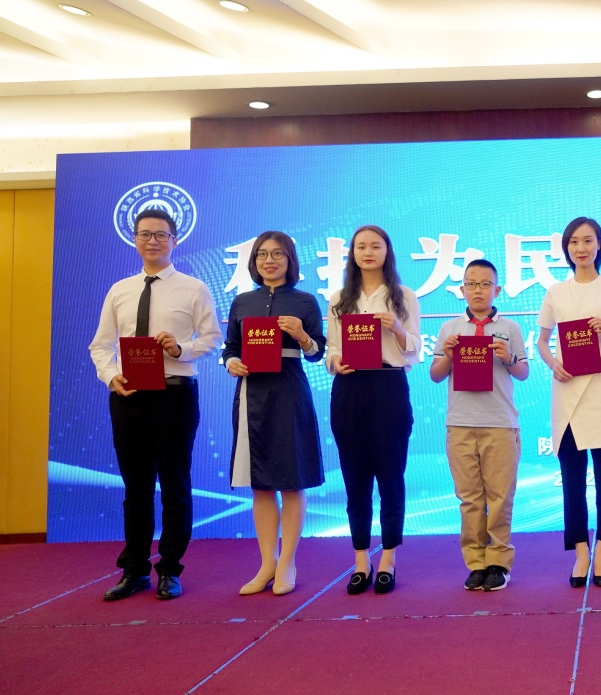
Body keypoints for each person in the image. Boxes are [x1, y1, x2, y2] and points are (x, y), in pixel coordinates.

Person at [88, 208, 222, 601]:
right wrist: (110, 375)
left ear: (174, 241)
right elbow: (101, 345)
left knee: (175, 485)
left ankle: (169, 570)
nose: (153, 241)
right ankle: (134, 571)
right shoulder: (120, 290)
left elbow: (212, 338)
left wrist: (180, 349)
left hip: (174, 395)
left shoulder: (193, 288)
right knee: (136, 488)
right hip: (128, 396)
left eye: (161, 235)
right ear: (134, 239)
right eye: (145, 234)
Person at [223, 231, 326, 596]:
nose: (269, 260)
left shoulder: (305, 301)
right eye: (262, 254)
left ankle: (288, 563)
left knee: (292, 479)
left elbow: (317, 352)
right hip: (252, 393)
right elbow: (230, 348)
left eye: (278, 254)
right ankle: (267, 562)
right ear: (253, 261)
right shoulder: (242, 302)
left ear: (290, 260)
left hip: (289, 391)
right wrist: (232, 362)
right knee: (260, 483)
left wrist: (301, 336)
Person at [537, 217, 601, 588]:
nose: (581, 248)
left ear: (599, 245)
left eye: (588, 240)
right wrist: (554, 364)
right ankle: (581, 553)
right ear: (566, 248)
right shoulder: (555, 292)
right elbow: (541, 342)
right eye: (574, 242)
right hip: (568, 394)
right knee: (572, 482)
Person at [327, 225, 421, 595]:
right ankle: (360, 560)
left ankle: (389, 559)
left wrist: (397, 328)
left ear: (387, 251)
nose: (368, 252)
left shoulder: (404, 296)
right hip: (349, 389)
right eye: (361, 247)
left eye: (375, 246)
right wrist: (336, 361)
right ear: (352, 253)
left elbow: (415, 349)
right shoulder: (339, 298)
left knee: (391, 476)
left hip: (388, 387)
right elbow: (333, 349)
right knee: (355, 479)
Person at [430, 259, 530, 592]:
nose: (478, 290)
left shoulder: (510, 328)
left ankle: (498, 562)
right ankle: (475, 563)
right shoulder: (449, 328)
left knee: (500, 497)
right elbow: (435, 375)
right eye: (471, 284)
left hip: (500, 423)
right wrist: (447, 354)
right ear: (462, 289)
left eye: (485, 284)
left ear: (497, 290)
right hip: (460, 423)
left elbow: (523, 372)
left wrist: (507, 357)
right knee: (470, 498)